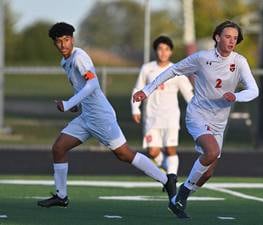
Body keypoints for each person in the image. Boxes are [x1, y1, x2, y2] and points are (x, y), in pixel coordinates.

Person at [37, 22, 176, 208]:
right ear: (54, 43)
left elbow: (93, 85)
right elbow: (83, 87)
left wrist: (69, 103)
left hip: (101, 117)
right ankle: (61, 196)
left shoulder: (79, 57)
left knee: (125, 154)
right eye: (59, 41)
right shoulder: (65, 62)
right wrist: (76, 104)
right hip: (87, 116)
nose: (63, 45)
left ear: (73, 39)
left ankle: (166, 180)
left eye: (66, 40)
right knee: (58, 149)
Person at [133, 20, 259, 218]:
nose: (231, 41)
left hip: (219, 122)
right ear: (217, 37)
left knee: (207, 173)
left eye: (235, 38)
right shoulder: (201, 58)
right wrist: (146, 90)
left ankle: (177, 201)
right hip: (198, 115)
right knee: (212, 151)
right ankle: (181, 194)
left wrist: (237, 96)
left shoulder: (239, 61)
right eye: (227, 36)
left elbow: (254, 90)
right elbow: (172, 70)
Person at [131, 36, 193, 176]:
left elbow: (189, 94)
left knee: (170, 149)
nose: (163, 52)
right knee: (152, 151)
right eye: (160, 49)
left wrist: (196, 110)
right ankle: (170, 172)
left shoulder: (177, 70)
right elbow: (137, 90)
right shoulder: (147, 69)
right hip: (151, 117)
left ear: (170, 52)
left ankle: (172, 179)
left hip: (170, 117)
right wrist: (135, 108)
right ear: (155, 51)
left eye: (166, 49)